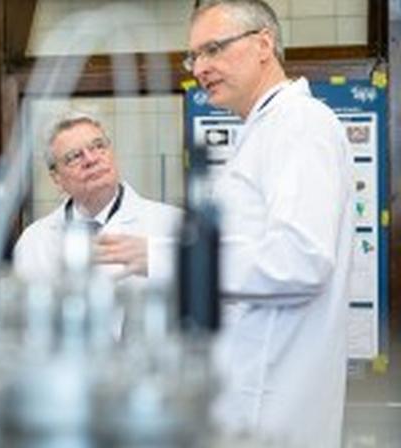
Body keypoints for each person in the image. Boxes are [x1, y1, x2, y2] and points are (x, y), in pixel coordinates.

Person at [182, 1, 354, 445]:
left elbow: (300, 260)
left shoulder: (299, 122)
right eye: (194, 56)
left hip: (272, 407)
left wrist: (181, 260)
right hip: (246, 399)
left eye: (214, 49)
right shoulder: (264, 130)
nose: (200, 68)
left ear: (264, 44)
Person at [13, 110, 182, 288]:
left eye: (98, 146)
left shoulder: (171, 224)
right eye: (74, 156)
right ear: (56, 178)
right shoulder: (35, 241)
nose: (91, 159)